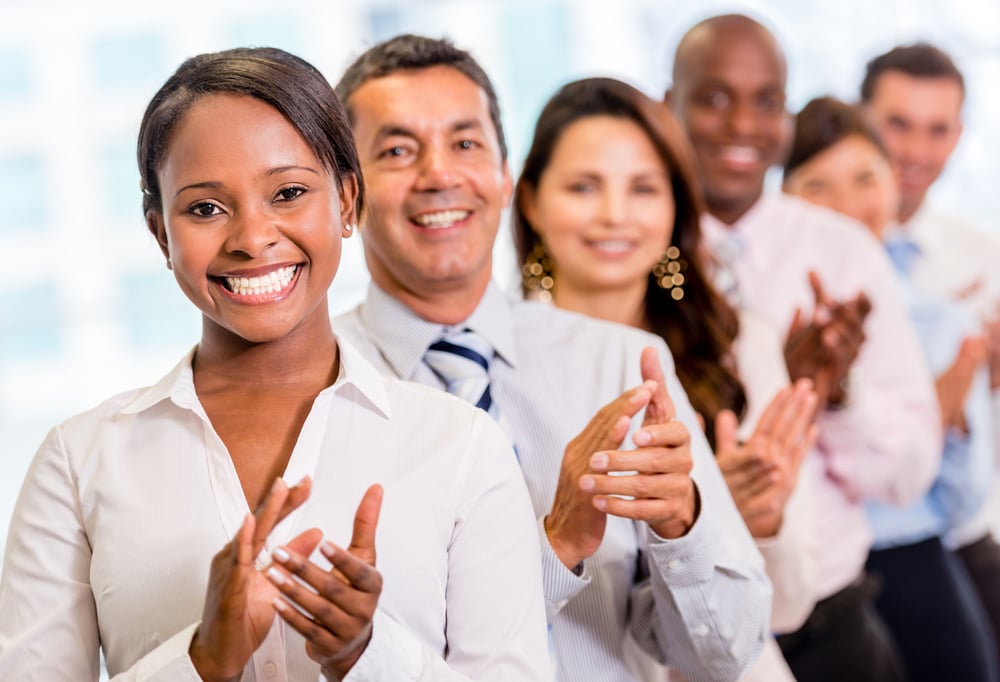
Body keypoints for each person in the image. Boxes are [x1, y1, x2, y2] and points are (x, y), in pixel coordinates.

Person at [0, 47, 551, 681]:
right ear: (160, 233)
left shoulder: (460, 447)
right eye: (205, 208)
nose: (252, 238)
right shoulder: (78, 462)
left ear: (347, 200)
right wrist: (201, 661)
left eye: (288, 192)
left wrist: (365, 654)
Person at [330, 34, 772, 682]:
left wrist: (683, 523)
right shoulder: (317, 390)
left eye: (465, 143)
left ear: (505, 176)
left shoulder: (624, 364)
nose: (439, 175)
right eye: (397, 150)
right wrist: (556, 542)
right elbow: (366, 657)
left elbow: (725, 656)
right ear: (348, 192)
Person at [511, 76, 820, 682]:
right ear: (530, 201)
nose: (615, 215)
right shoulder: (488, 362)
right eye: (583, 186)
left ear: (677, 203)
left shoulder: (738, 346)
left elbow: (791, 604)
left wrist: (725, 519)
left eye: (644, 188)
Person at [666, 14, 941, 682]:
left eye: (767, 102)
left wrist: (838, 395)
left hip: (832, 625)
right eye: (713, 98)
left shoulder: (841, 251)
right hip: (680, 636)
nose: (742, 127)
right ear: (669, 104)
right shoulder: (637, 252)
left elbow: (909, 475)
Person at [784, 94, 998, 682]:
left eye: (865, 178)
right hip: (816, 572)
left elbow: (961, 503)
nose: (848, 207)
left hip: (911, 548)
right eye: (817, 185)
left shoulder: (936, 318)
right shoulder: (750, 313)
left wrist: (948, 418)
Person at [861, 44, 1000, 657]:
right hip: (861, 534)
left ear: (960, 134)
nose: (916, 153)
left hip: (959, 523)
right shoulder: (814, 246)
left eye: (937, 130)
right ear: (861, 117)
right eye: (898, 124)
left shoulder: (982, 257)